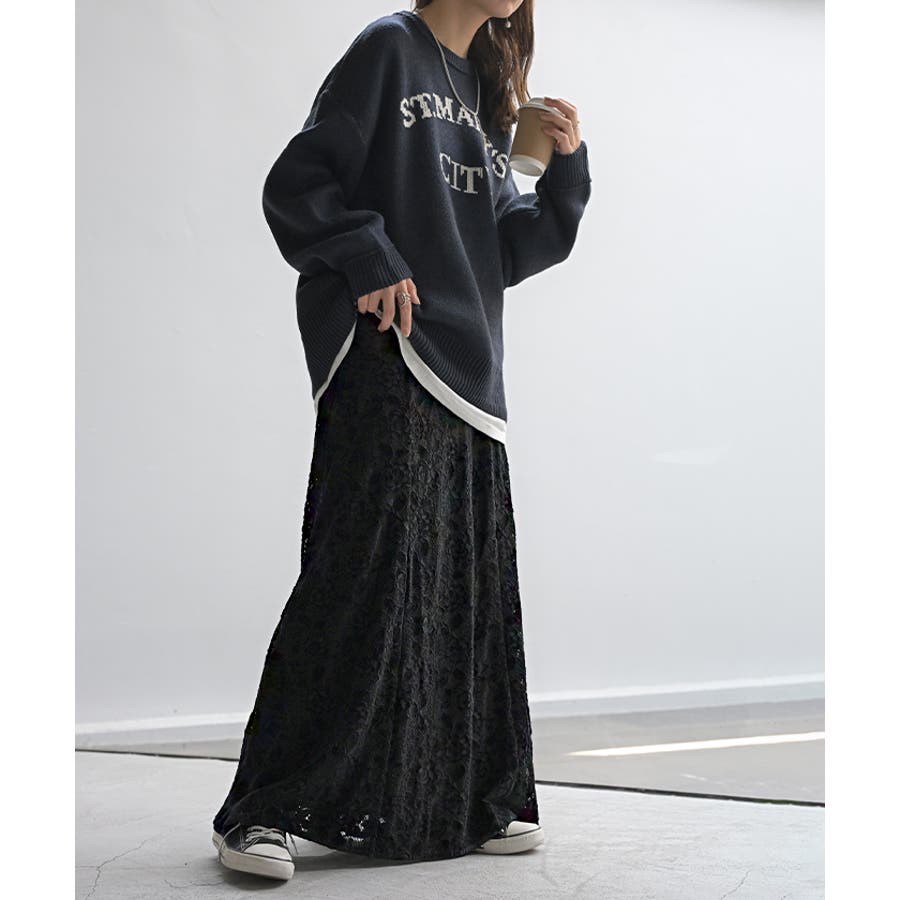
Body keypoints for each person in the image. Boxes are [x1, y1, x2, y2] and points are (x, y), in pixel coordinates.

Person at [212, 0, 591, 881]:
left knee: (463, 588)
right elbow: (297, 183)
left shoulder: (488, 97)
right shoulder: (390, 49)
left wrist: (566, 174)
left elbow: (505, 250)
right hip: (388, 346)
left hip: (471, 372)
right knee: (359, 576)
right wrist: (368, 253)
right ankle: (263, 809)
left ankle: (472, 799)